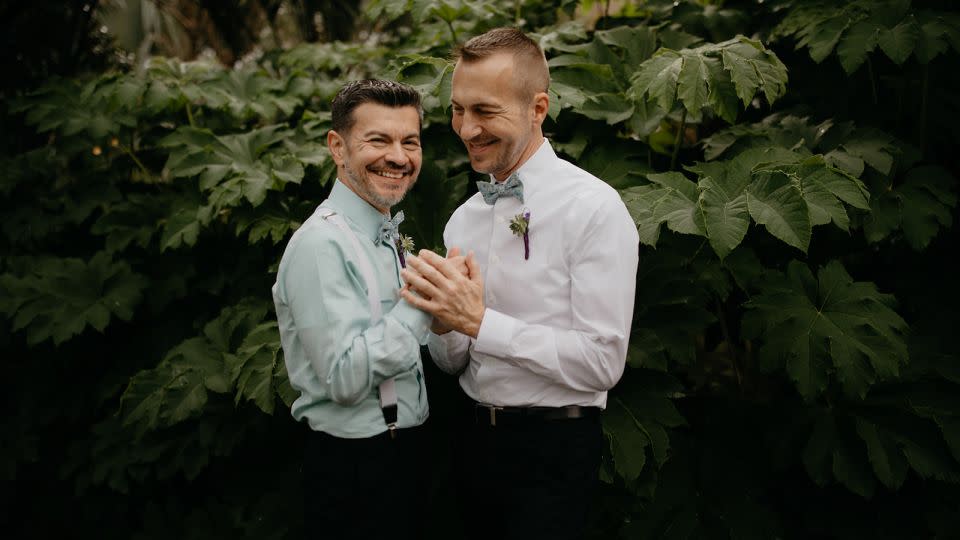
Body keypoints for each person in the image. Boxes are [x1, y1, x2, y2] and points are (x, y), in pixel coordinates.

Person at [399, 27, 640, 540]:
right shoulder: (462, 221)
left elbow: (602, 362)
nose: (466, 129)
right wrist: (445, 325)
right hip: (471, 443)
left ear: (538, 109)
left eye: (485, 111)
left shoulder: (594, 208)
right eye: (458, 110)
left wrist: (481, 322)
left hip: (553, 450)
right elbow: (455, 361)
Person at [271, 79, 434, 540]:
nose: (399, 157)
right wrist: (425, 299)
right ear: (338, 149)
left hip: (406, 453)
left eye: (410, 141)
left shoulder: (387, 232)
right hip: (357, 466)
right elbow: (344, 377)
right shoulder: (322, 244)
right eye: (378, 140)